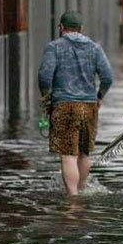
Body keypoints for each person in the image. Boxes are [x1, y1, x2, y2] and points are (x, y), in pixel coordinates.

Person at [38, 11, 114, 196]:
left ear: (61, 28)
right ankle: (82, 189)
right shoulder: (95, 48)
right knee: (84, 153)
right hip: (89, 106)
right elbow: (107, 77)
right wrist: (99, 97)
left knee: (68, 155)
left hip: (64, 105)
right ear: (81, 29)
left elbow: (44, 77)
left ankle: (72, 197)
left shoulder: (54, 47)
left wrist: (47, 99)